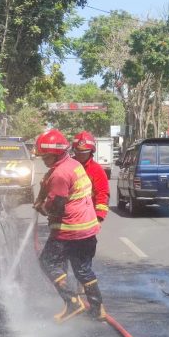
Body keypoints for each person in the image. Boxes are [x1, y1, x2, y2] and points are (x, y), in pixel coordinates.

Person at [33, 129, 105, 323]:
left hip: (70, 231)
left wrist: (42, 208)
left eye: (45, 157)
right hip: (87, 230)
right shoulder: (72, 164)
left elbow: (56, 208)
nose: (43, 160)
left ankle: (73, 302)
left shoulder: (60, 174)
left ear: (55, 154)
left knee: (47, 262)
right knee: (82, 269)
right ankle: (97, 309)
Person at [71, 131, 110, 223]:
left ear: (91, 152)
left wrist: (99, 217)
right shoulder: (67, 166)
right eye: (78, 152)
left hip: (88, 217)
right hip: (69, 216)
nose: (81, 155)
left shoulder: (97, 170)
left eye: (84, 152)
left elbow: (102, 193)